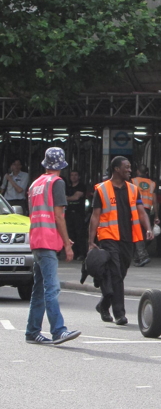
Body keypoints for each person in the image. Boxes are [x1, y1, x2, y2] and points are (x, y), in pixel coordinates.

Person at [88, 156, 154, 325]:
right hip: (108, 236)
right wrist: (91, 241)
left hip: (127, 238)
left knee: (121, 273)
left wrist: (148, 228)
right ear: (116, 169)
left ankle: (104, 304)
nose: (129, 170)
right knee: (116, 273)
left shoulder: (133, 189)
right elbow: (95, 217)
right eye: (126, 167)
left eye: (130, 167)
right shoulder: (102, 189)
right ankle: (119, 314)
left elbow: (141, 211)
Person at [25, 147, 81, 345]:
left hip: (37, 240)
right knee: (51, 288)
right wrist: (67, 243)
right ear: (62, 165)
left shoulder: (35, 184)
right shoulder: (57, 183)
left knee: (39, 289)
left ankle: (32, 331)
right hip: (48, 241)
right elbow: (58, 216)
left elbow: (39, 214)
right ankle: (58, 331)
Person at [131, 164, 159, 266]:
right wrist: (156, 215)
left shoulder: (133, 181)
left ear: (138, 171)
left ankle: (142, 255)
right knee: (144, 233)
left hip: (135, 210)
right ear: (146, 172)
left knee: (137, 233)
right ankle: (138, 256)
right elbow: (155, 201)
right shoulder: (152, 183)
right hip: (147, 211)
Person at [65, 170, 87, 261]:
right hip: (69, 212)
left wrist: (66, 198)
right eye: (72, 175)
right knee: (70, 233)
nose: (73, 177)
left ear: (79, 176)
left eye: (75, 175)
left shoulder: (81, 186)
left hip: (79, 213)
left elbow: (76, 197)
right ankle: (73, 253)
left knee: (80, 233)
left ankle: (81, 253)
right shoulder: (68, 187)